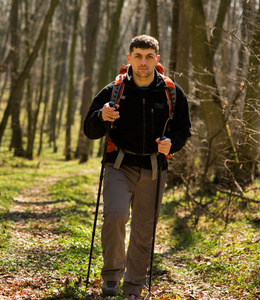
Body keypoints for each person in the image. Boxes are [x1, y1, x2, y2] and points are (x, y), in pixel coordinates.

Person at [84, 35, 191, 299]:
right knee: (116, 215)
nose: (143, 62)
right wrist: (101, 116)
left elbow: (184, 129)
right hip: (119, 164)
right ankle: (111, 278)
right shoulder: (113, 91)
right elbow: (90, 129)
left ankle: (134, 286)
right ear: (128, 58)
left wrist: (172, 144)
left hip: (155, 169)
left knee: (144, 229)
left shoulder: (172, 93)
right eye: (138, 56)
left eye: (149, 56)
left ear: (157, 59)